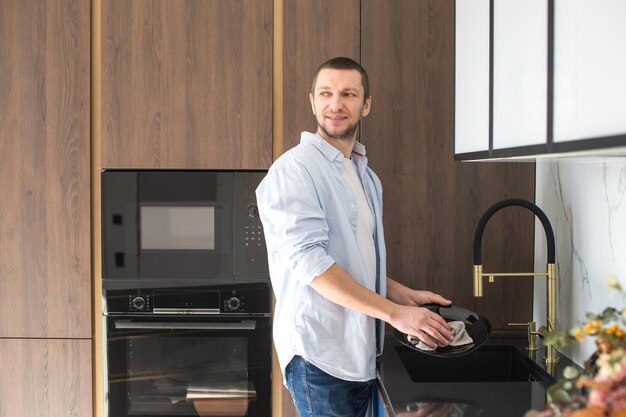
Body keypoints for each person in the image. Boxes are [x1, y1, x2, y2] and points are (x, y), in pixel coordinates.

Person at [255, 57, 454, 417]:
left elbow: (352, 256)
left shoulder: (365, 175)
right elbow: (312, 266)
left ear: (366, 105)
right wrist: (396, 314)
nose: (336, 104)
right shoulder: (295, 170)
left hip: (359, 352)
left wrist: (399, 293)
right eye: (326, 93)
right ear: (312, 100)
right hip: (320, 355)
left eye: (348, 94)